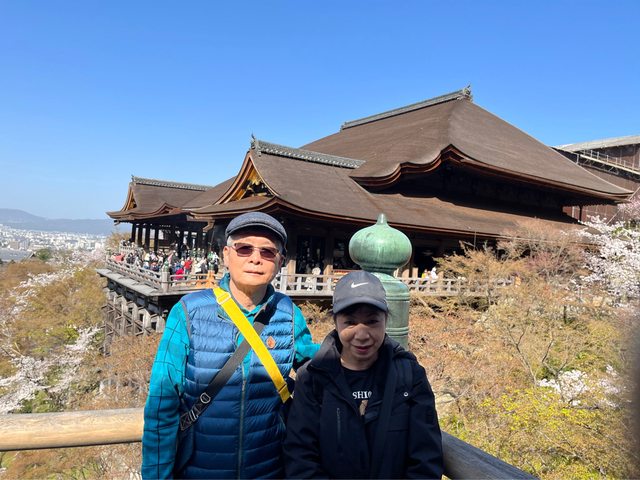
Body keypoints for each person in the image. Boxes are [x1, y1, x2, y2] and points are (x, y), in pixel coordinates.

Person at [142, 212, 320, 479]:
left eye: (268, 252)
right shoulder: (189, 312)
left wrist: (357, 346)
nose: (255, 258)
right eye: (244, 248)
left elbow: (317, 365)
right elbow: (162, 403)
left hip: (269, 469)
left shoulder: (288, 313)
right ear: (226, 255)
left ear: (280, 261)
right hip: (200, 471)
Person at [284, 270, 443, 479]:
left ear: (386, 320)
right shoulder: (313, 378)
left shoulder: (409, 376)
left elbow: (425, 458)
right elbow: (301, 457)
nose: (361, 335)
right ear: (336, 322)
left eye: (372, 321)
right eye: (350, 322)